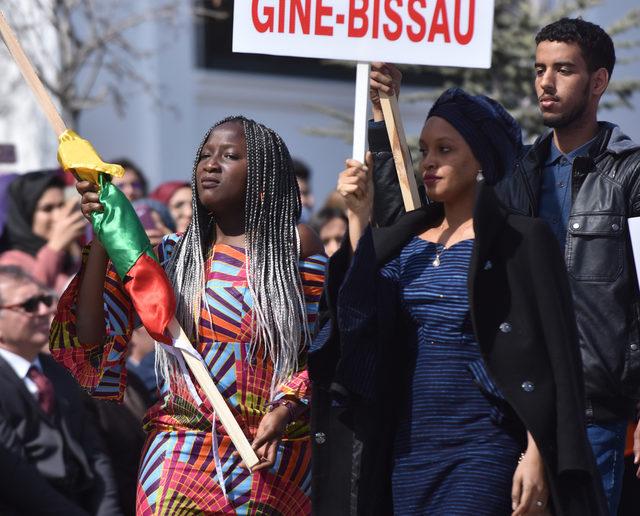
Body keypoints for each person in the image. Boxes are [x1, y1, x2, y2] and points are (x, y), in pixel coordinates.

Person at [328, 88, 605, 515]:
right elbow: (359, 318)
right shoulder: (402, 242)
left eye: (445, 149)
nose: (429, 162)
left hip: (484, 441)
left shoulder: (523, 240)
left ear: (481, 159)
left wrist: (536, 454)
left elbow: (554, 357)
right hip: (408, 445)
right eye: (424, 151)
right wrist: (358, 217)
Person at [50, 116, 327, 514]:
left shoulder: (293, 245)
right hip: (182, 447)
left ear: (264, 176)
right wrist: (102, 239)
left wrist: (285, 408)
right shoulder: (173, 256)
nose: (210, 164)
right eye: (205, 156)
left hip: (271, 451)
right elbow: (92, 336)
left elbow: (322, 347)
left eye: (229, 156)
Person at [494, 19, 640, 514]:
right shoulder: (517, 173)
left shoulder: (631, 174)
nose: (545, 84)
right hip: (512, 406)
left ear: (598, 82)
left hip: (593, 409)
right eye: (539, 70)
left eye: (563, 70)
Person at [0, 265, 121, 515]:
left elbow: (95, 452)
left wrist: (108, 511)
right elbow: (14, 476)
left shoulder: (58, 372)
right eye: (29, 305)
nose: (46, 311)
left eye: (46, 300)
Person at [0, 170, 85, 292]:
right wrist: (55, 248)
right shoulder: (9, 263)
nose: (58, 215)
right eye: (47, 209)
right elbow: (32, 299)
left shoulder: (68, 253)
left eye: (61, 205)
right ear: (26, 215)